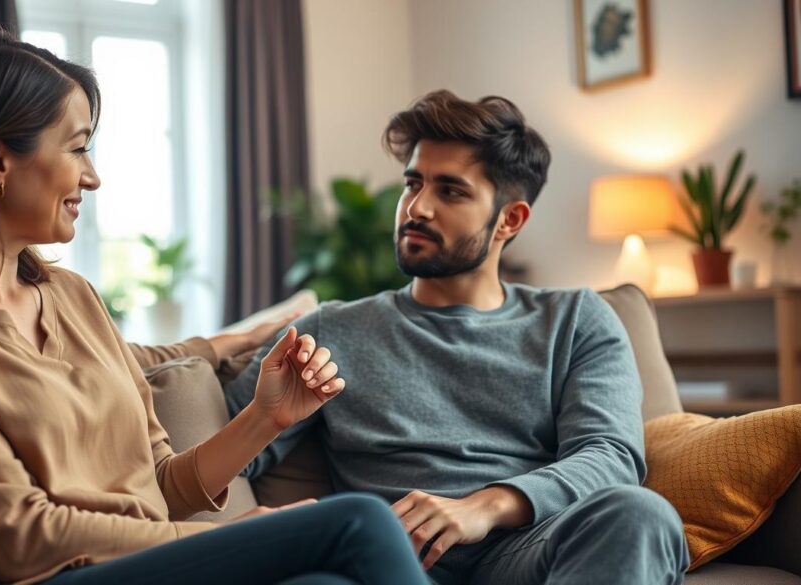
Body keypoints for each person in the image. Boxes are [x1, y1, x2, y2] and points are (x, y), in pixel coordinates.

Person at [0, 28, 428, 585]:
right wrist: (211, 543)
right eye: (77, 149)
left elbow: (158, 487)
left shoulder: (73, 298)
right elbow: (17, 537)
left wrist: (263, 419)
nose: (92, 177)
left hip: (135, 569)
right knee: (359, 520)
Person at [225, 90, 690, 585]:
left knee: (640, 514)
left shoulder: (576, 319)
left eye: (450, 191)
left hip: (525, 552)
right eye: (413, 183)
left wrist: (485, 506)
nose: (416, 207)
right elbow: (218, 452)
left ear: (509, 220)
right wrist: (204, 351)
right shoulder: (330, 329)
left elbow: (610, 455)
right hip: (389, 562)